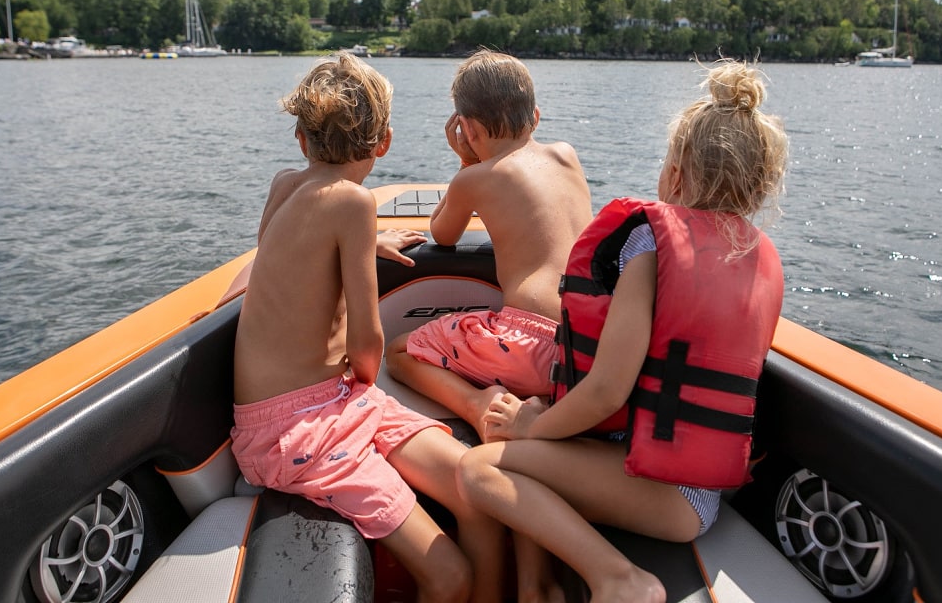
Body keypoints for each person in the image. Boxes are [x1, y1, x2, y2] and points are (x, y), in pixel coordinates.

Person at [457, 57, 790, 603]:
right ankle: (540, 591)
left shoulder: (651, 246)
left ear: (676, 174)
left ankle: (619, 578)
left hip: (663, 492)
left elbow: (609, 389)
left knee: (480, 469)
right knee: (530, 451)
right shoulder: (760, 254)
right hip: (703, 487)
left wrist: (528, 427)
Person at [229, 52, 504, 603]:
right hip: (298, 429)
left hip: (317, 407)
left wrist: (361, 244)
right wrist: (360, 240)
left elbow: (279, 256)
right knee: (451, 575)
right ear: (384, 142)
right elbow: (366, 343)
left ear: (301, 140)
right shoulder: (354, 205)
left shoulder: (286, 184)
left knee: (479, 488)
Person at [385, 48, 592, 603]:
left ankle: (481, 407)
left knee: (401, 350)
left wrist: (465, 165)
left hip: (524, 340)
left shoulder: (476, 177)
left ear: (467, 128)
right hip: (584, 349)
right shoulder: (568, 156)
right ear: (538, 118)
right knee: (527, 459)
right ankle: (536, 584)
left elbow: (444, 236)